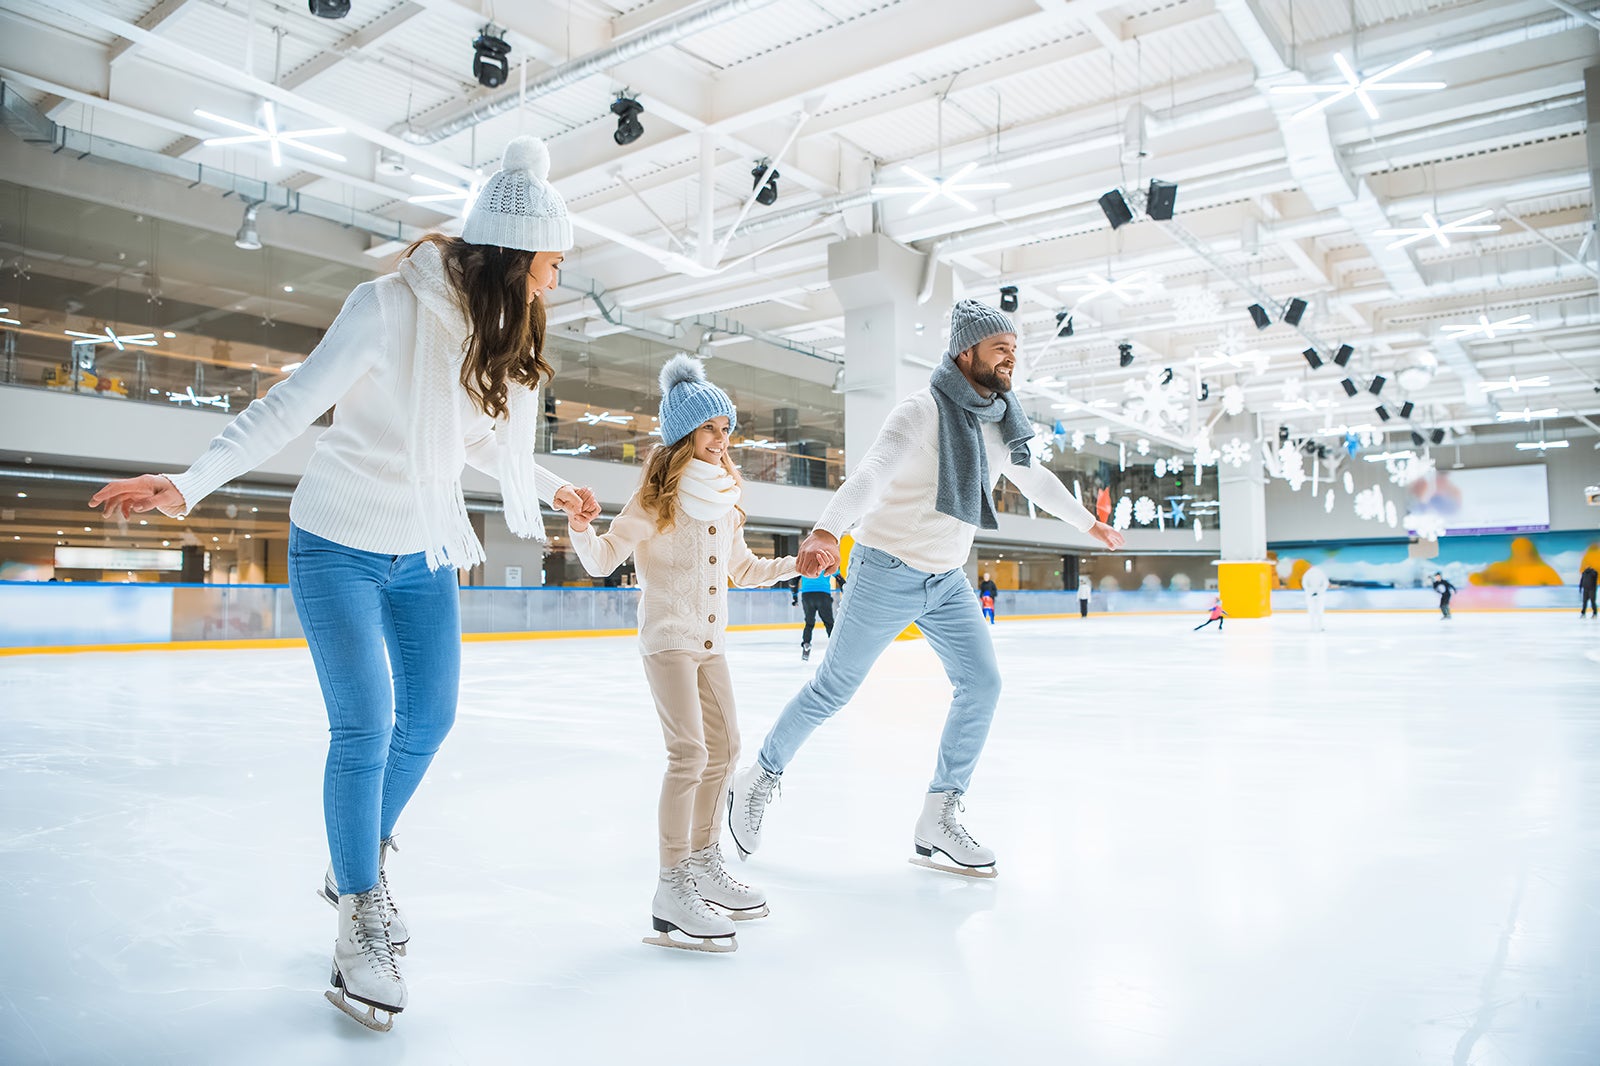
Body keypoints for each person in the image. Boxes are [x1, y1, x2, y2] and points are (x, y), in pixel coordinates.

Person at [88, 137, 598, 1032]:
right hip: (337, 543)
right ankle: (360, 910)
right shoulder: (386, 308)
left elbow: (473, 440)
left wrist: (555, 489)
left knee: (431, 718)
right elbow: (291, 404)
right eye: (552, 264)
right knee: (364, 725)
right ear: (516, 256)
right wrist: (190, 482)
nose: (555, 283)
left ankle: (352, 852)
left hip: (424, 548)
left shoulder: (485, 333)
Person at [727, 298, 1124, 880]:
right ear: (967, 351)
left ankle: (939, 815)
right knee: (833, 690)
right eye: (1000, 348)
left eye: (1015, 348)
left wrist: (1086, 522)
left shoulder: (1000, 418)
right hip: (884, 570)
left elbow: (1031, 475)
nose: (1011, 357)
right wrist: (826, 530)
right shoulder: (920, 413)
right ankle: (758, 777)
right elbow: (872, 473)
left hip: (947, 580)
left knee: (982, 684)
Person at [567, 355, 797, 953]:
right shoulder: (654, 503)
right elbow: (600, 559)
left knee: (725, 749)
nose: (723, 440)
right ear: (681, 435)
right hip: (668, 640)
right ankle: (671, 885)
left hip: (711, 645)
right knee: (689, 754)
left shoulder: (722, 498)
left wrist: (796, 564)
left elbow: (743, 569)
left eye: (727, 428)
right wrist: (579, 526)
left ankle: (702, 865)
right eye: (711, 428)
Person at [799, 569, 837, 661]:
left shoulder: (805, 562)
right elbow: (839, 578)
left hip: (807, 595)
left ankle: (806, 643)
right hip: (823, 595)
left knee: (809, 623)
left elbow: (794, 580)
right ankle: (835, 647)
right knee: (829, 623)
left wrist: (795, 596)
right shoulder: (828, 563)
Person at [1302, 563, 1329, 632]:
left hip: (1313, 594)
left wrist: (1310, 591)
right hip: (1317, 594)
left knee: (1313, 612)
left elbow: (1304, 583)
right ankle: (1318, 626)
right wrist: (1320, 591)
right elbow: (1325, 583)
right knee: (1318, 611)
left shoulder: (1307, 574)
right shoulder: (1320, 573)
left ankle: (1314, 626)